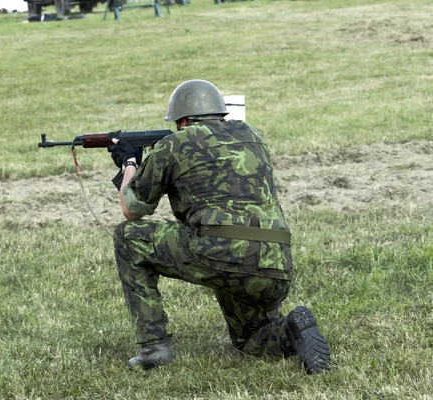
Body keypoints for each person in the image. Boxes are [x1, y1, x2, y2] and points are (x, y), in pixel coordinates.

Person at [107, 79, 331, 373]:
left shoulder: (173, 144)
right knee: (250, 341)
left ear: (183, 120)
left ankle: (153, 347)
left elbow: (132, 209)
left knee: (128, 238)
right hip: (275, 261)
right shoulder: (253, 135)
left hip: (219, 253)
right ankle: (292, 328)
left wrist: (130, 164)